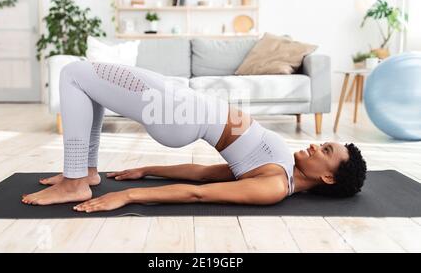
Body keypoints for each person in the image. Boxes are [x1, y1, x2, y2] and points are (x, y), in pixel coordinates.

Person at [21, 61, 367, 212]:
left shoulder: (274, 186)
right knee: (87, 82)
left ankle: (74, 182)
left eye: (324, 150)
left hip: (178, 112)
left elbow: (199, 194)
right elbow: (204, 173)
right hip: (182, 104)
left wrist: (128, 196)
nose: (313, 144)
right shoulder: (283, 170)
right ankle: (86, 172)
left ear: (327, 176)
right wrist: (149, 169)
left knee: (74, 74)